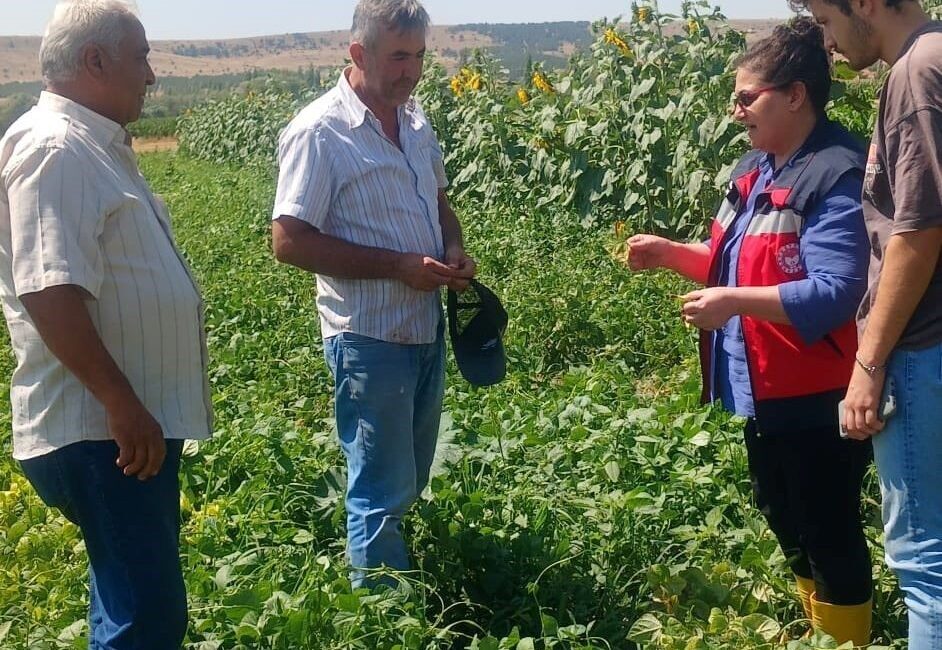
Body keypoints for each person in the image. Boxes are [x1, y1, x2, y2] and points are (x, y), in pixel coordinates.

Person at [626, 18, 873, 646]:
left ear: (795, 95)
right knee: (784, 515)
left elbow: (839, 290)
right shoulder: (757, 167)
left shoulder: (835, 172)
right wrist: (670, 254)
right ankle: (823, 628)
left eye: (746, 97)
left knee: (828, 530)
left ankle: (847, 637)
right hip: (763, 388)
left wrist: (732, 302)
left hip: (820, 391)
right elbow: (733, 263)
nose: (735, 110)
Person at [0, 0, 212, 647]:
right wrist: (122, 404)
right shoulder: (57, 147)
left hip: (115, 429)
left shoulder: (93, 146)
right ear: (94, 61)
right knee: (146, 621)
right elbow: (48, 289)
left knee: (126, 602)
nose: (151, 75)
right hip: (101, 432)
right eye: (141, 56)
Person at [271, 0, 476, 588]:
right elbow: (288, 241)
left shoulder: (415, 121)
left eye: (418, 56)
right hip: (367, 335)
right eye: (397, 57)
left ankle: (391, 584)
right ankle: (384, 619)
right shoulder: (319, 132)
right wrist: (399, 267)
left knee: (406, 472)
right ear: (357, 53)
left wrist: (453, 247)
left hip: (423, 325)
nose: (410, 71)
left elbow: (437, 200)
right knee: (380, 487)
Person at [794, 0, 942, 646]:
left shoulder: (916, 73)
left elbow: (917, 232)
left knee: (926, 565)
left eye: (827, 20)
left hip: (923, 347)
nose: (826, 41)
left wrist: (868, 362)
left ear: (867, 3)